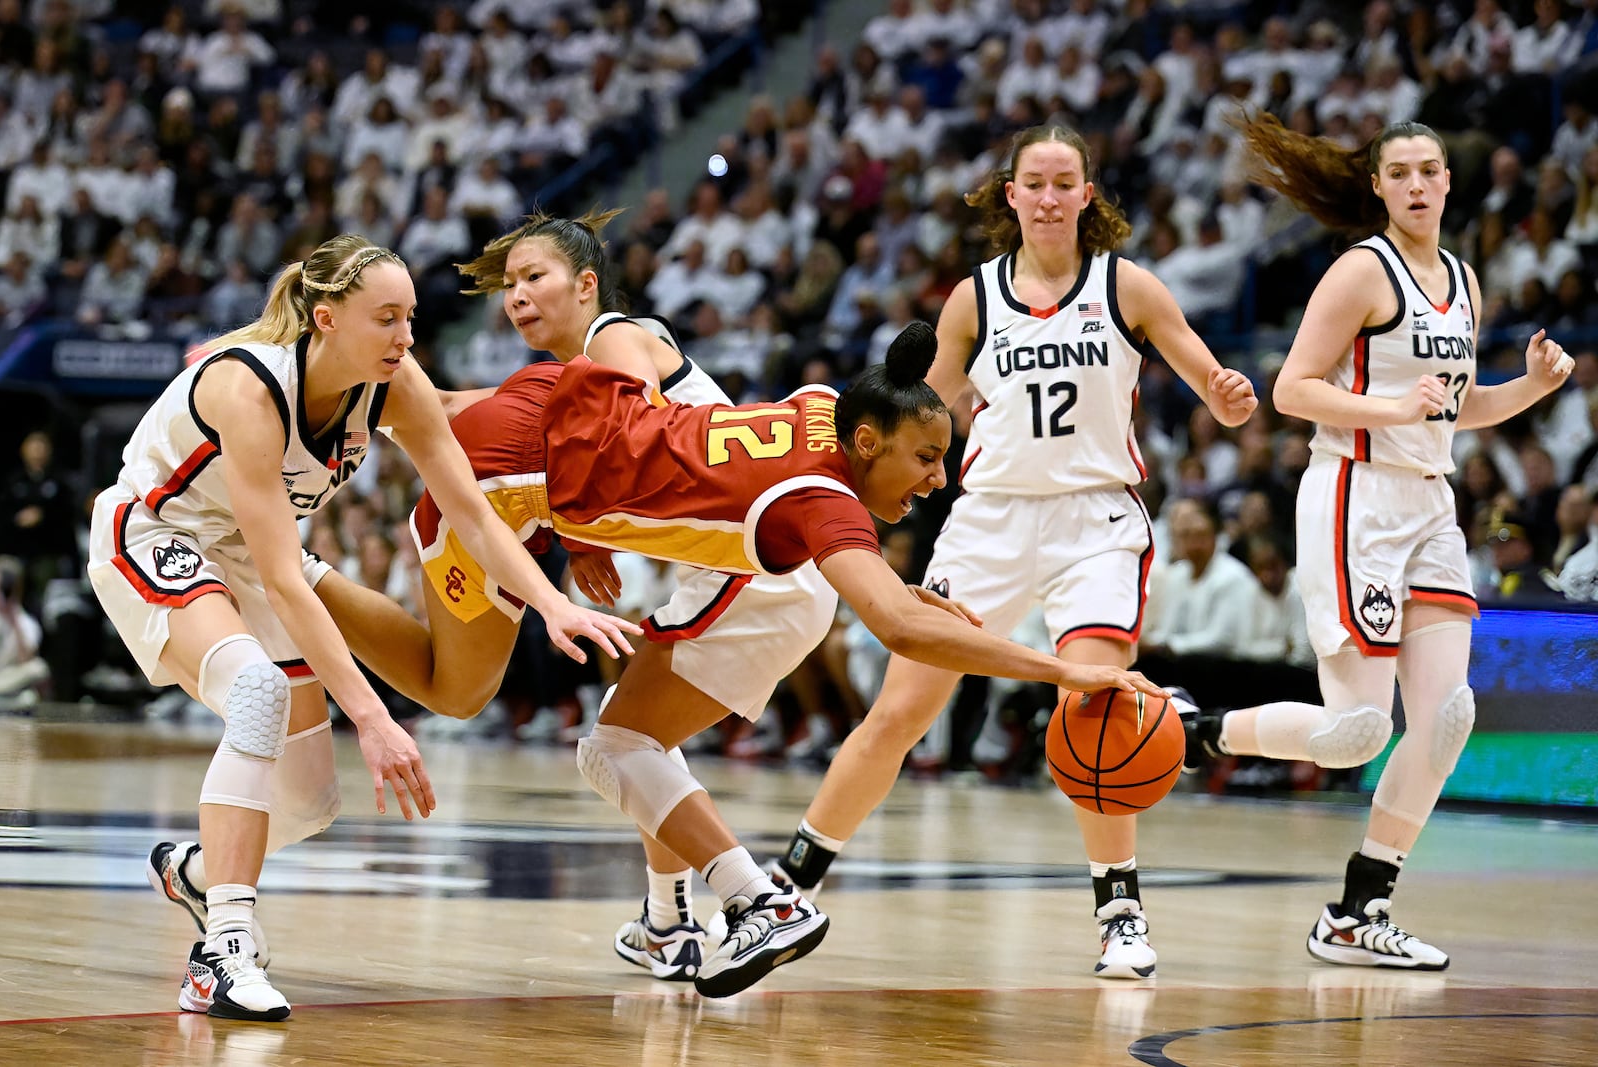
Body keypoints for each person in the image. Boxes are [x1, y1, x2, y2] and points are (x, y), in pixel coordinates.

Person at [345, 311, 1167, 998]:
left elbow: (864, 578)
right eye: (926, 458)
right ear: (869, 439)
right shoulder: (825, 497)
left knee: (618, 741)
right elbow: (898, 629)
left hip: (549, 416)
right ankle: (295, 573)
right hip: (507, 476)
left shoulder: (820, 406)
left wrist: (907, 594)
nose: (938, 479)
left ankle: (721, 907)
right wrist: (1065, 668)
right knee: (476, 697)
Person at [88, 235, 638, 1023]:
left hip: (249, 552)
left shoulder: (395, 381)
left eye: (410, 318)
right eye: (386, 318)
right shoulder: (249, 388)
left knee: (309, 801)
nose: (405, 337)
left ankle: (201, 874)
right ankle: (222, 951)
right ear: (326, 319)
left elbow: (475, 517)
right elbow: (285, 576)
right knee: (255, 689)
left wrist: (553, 604)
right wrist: (373, 717)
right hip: (154, 534)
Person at [760, 124, 1257, 981]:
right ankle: (789, 885)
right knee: (900, 711)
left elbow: (1207, 379)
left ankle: (1120, 909)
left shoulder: (1127, 286)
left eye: (1068, 181)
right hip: (988, 517)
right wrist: (885, 409)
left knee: (1097, 708)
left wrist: (1227, 393)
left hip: (1094, 517)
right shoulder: (973, 299)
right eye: (1037, 182)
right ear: (1013, 195)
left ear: (1087, 195)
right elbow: (933, 409)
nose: (1052, 196)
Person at [309, 210, 840, 984]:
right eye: (513, 283)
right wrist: (584, 535)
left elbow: (637, 435)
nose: (518, 296)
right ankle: (667, 922)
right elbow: (498, 419)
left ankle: (759, 900)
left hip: (748, 567)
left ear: (587, 285)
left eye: (537, 278)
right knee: (648, 739)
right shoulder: (577, 371)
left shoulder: (615, 340)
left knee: (612, 749)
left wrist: (576, 525)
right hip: (762, 568)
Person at [1185, 115, 1574, 970]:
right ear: (1378, 186)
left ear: (1446, 180)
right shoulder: (1361, 270)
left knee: (1447, 718)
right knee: (1357, 730)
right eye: (1398, 172)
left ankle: (1359, 910)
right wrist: (1390, 411)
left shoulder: (1465, 281)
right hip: (1354, 496)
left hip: (1431, 504)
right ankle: (1197, 731)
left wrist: (1530, 389)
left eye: (1429, 169)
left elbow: (1453, 405)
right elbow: (1292, 388)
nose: (1416, 184)